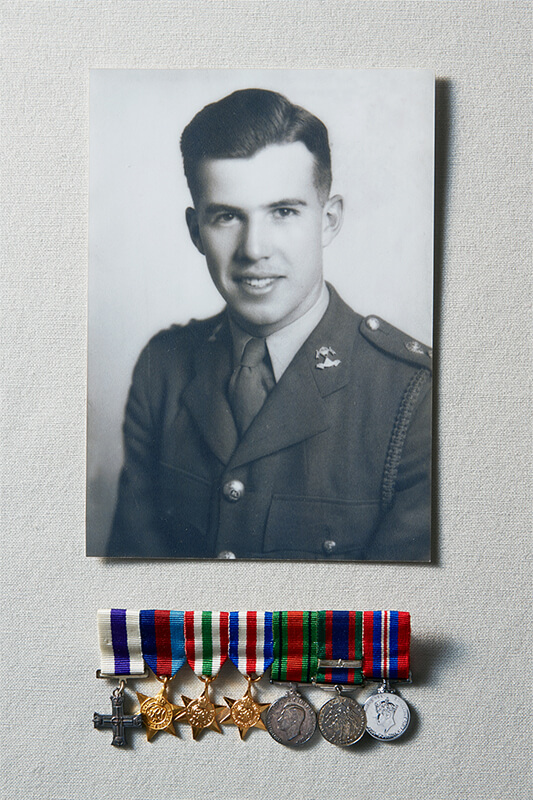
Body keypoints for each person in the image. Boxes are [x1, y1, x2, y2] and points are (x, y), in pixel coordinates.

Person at [107, 88, 432, 561]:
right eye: (226, 217)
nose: (254, 249)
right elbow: (136, 588)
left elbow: (398, 618)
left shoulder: (414, 395)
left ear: (329, 220)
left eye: (282, 212)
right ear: (196, 231)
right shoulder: (162, 369)